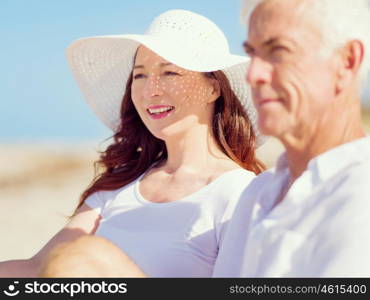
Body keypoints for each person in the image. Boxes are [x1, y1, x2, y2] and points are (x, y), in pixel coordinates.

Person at [0, 9, 265, 277]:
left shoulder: (240, 192)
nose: (151, 90)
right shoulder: (122, 184)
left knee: (84, 257)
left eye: (170, 73)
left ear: (213, 88)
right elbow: (36, 269)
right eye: (139, 76)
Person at [212, 0, 370, 277]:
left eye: (278, 51)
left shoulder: (361, 195)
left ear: (347, 61)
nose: (253, 74)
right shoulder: (256, 194)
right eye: (252, 53)